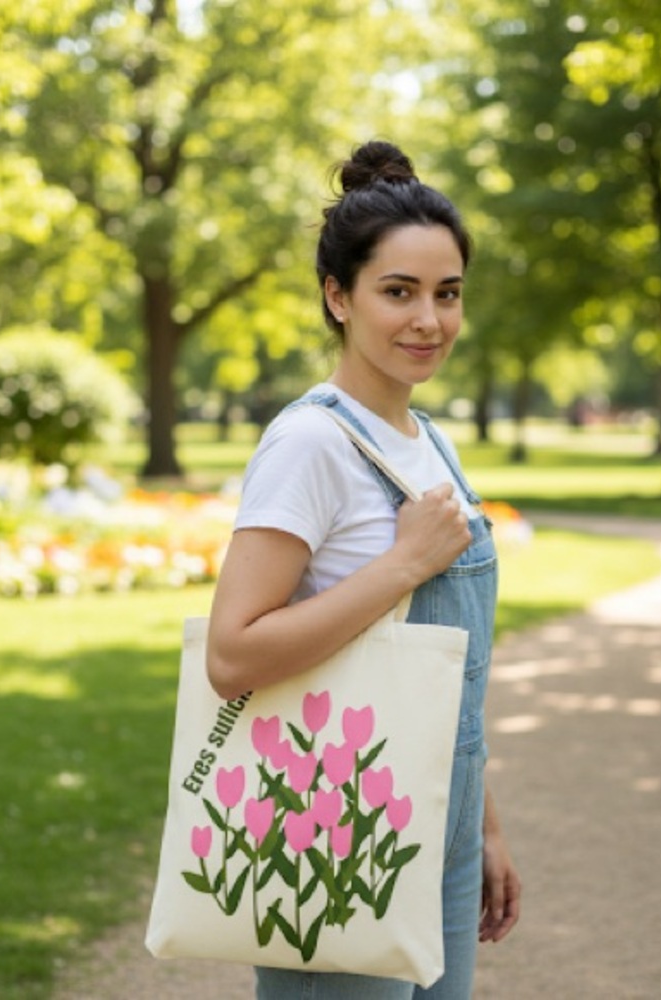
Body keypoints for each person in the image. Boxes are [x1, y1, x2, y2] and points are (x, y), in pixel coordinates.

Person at [206, 139, 521, 999]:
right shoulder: (309, 443)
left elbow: (443, 670)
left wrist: (483, 826)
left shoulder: (433, 444)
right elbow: (232, 655)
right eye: (399, 292)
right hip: (342, 827)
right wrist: (401, 565)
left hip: (443, 820)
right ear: (337, 297)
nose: (429, 320)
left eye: (448, 294)